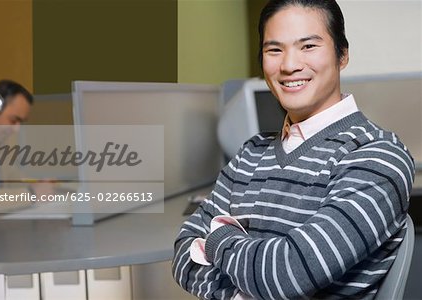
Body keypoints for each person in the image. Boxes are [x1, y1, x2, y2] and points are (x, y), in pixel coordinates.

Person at [172, 0, 415, 299]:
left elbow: (287, 274)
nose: (289, 65)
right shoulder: (250, 154)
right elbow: (184, 249)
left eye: (308, 46)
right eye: (274, 50)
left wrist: (217, 237)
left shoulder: (377, 156)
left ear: (342, 54)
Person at [0, 79, 55, 214]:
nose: (16, 129)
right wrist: (31, 194)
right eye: (13, 120)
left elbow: (9, 179)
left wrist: (37, 187)